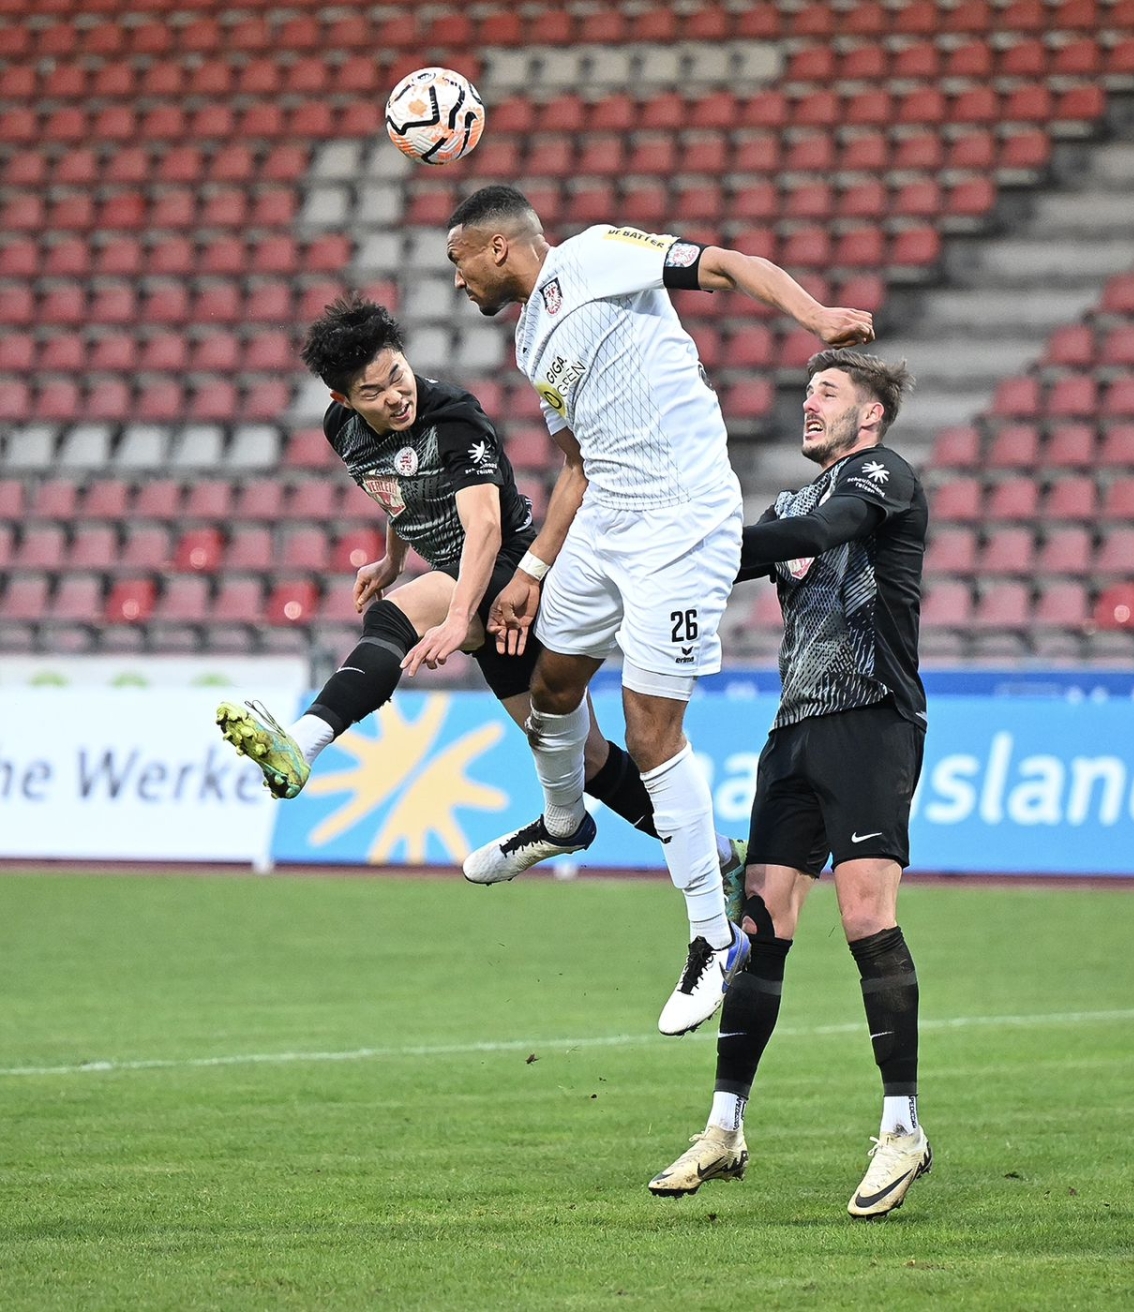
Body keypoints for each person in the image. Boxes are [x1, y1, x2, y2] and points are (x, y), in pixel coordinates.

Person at [444, 185, 875, 1037]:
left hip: (682, 522)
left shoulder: (596, 255)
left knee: (649, 732)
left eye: (459, 260)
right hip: (607, 517)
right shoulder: (530, 337)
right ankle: (564, 823)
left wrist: (815, 316)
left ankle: (713, 939)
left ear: (498, 247)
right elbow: (576, 463)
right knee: (552, 687)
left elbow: (726, 265)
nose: (457, 280)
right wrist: (535, 567)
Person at [214, 295, 743, 881]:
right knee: (587, 758)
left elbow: (485, 527)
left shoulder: (453, 418)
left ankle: (303, 742)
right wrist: (393, 560)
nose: (395, 396)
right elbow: (397, 490)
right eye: (373, 393)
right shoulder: (342, 429)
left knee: (393, 618)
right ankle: (721, 857)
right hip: (462, 583)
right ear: (343, 401)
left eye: (397, 375)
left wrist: (457, 616)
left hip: (510, 573)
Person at [647, 351, 931, 1219]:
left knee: (865, 917)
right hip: (794, 730)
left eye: (829, 393)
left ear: (870, 414)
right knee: (760, 924)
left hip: (872, 719)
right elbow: (747, 555)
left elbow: (816, 535)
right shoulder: (783, 504)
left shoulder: (884, 475)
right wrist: (655, 566)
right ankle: (724, 1128)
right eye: (807, 392)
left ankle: (902, 1130)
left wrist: (711, 548)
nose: (810, 404)